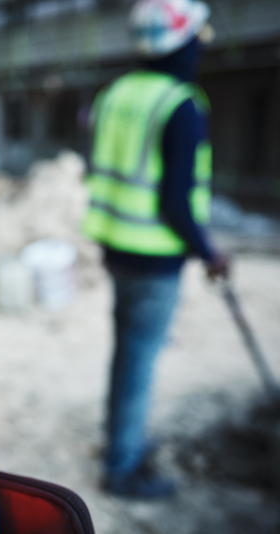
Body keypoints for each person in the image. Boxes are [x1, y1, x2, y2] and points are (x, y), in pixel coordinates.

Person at [82, 0, 229, 499]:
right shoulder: (179, 103)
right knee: (139, 359)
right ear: (182, 44)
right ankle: (122, 467)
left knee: (127, 352)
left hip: (114, 245)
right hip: (155, 255)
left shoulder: (114, 94)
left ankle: (118, 443)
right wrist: (209, 252)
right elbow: (175, 203)